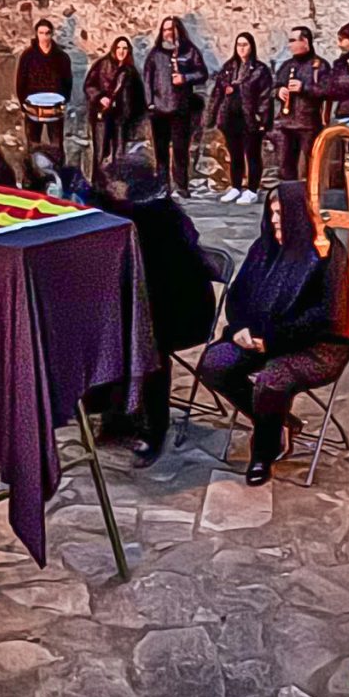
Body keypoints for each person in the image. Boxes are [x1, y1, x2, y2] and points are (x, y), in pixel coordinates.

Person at [195, 180, 349, 487]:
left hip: (318, 344)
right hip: (258, 337)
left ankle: (264, 454)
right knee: (214, 364)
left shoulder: (327, 252)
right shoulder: (264, 246)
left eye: (281, 212)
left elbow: (327, 316)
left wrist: (271, 339)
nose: (275, 219)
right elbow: (239, 294)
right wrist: (241, 329)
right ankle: (280, 421)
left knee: (272, 381)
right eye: (271, 212)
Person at [89, 154, 224, 465]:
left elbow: (166, 282)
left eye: (114, 183)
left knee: (148, 349)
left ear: (130, 185)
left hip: (180, 312)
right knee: (107, 337)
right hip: (147, 307)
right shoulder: (126, 213)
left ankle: (154, 427)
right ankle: (116, 416)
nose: (110, 188)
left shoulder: (160, 219)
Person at [141, 16, 209, 198]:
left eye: (172, 29)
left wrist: (185, 78)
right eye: (165, 30)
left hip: (181, 109)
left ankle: (181, 186)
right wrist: (150, 103)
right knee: (161, 151)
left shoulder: (189, 51)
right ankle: (163, 186)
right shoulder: (156, 54)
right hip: (159, 109)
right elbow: (147, 79)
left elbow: (202, 73)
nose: (168, 33)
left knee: (180, 150)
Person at [206, 32, 274, 203]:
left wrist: (262, 117)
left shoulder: (259, 70)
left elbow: (265, 95)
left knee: (252, 153)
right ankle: (235, 186)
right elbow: (217, 92)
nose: (242, 48)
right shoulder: (229, 68)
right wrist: (212, 116)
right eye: (239, 45)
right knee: (234, 154)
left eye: (245, 44)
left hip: (250, 117)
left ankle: (252, 189)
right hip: (230, 117)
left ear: (251, 47)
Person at [269, 26, 326, 190]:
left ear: (305, 42)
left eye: (293, 41)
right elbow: (273, 88)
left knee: (308, 167)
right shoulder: (287, 65)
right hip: (286, 123)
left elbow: (327, 91)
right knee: (285, 166)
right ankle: (288, 199)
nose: (290, 45)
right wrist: (279, 91)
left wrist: (304, 88)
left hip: (308, 123)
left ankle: (309, 202)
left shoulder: (319, 66)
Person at [82, 35, 145, 184]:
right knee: (100, 152)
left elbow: (138, 95)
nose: (121, 51)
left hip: (122, 117)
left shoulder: (130, 71)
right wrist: (99, 97)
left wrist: (133, 114)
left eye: (125, 48)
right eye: (119, 48)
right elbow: (89, 85)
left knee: (119, 153)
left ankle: (115, 185)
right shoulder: (103, 64)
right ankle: (98, 185)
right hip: (102, 115)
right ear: (114, 49)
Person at [14, 19, 74, 165]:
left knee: (57, 144)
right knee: (33, 144)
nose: (44, 37)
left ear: (51, 34)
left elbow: (68, 80)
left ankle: (59, 173)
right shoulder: (28, 56)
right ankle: (33, 176)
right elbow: (21, 81)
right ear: (37, 34)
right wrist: (23, 104)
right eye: (41, 33)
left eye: (47, 33)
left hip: (55, 106)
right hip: (33, 106)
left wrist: (64, 100)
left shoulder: (61, 57)